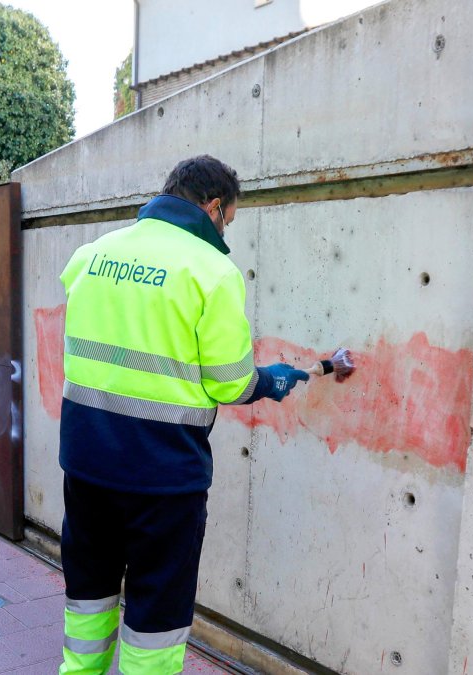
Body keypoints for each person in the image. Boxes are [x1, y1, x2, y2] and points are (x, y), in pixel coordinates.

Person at [55, 155, 309, 674]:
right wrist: (272, 380)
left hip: (86, 466)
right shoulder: (212, 271)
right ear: (214, 207)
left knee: (88, 596)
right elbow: (230, 382)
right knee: (156, 616)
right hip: (162, 479)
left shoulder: (94, 254)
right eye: (229, 221)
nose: (226, 233)